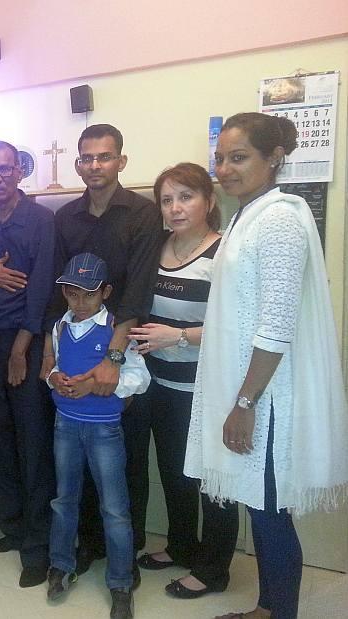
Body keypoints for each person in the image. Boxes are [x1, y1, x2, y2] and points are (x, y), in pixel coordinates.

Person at [184, 113, 348, 619]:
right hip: (250, 391)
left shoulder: (278, 219)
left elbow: (275, 327)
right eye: (220, 158)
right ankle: (267, 609)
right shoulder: (245, 214)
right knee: (262, 509)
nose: (225, 169)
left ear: (273, 158)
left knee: (271, 513)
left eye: (239, 158)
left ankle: (280, 614)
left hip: (267, 397)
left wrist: (245, 404)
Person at [42, 123, 164, 578]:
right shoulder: (66, 217)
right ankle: (89, 546)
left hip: (121, 342)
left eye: (105, 157)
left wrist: (113, 358)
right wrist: (49, 356)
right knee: (75, 471)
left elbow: (138, 288)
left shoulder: (143, 213)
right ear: (78, 163)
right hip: (73, 343)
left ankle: (124, 558)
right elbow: (60, 292)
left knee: (124, 464)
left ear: (121, 161)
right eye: (87, 158)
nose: (95, 166)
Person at [127, 163, 239, 598]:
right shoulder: (157, 247)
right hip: (157, 384)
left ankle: (213, 570)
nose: (175, 208)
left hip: (203, 389)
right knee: (174, 472)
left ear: (209, 201)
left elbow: (239, 325)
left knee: (211, 481)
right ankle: (180, 545)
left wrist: (178, 335)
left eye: (186, 197)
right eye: (167, 200)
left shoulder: (224, 253)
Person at [46, 253, 150, 619]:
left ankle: (120, 583)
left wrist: (98, 386)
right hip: (65, 425)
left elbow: (139, 377)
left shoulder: (116, 333)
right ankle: (61, 564)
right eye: (72, 294)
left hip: (103, 429)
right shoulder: (61, 326)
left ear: (105, 292)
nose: (80, 302)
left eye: (88, 295)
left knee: (115, 508)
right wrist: (53, 378)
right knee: (64, 499)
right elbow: (56, 367)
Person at [0, 140, 56, 587]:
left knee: (33, 443)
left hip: (28, 344)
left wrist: (23, 350)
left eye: (4, 169)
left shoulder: (41, 220)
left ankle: (38, 547)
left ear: (20, 171)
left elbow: (42, 289)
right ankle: (14, 527)